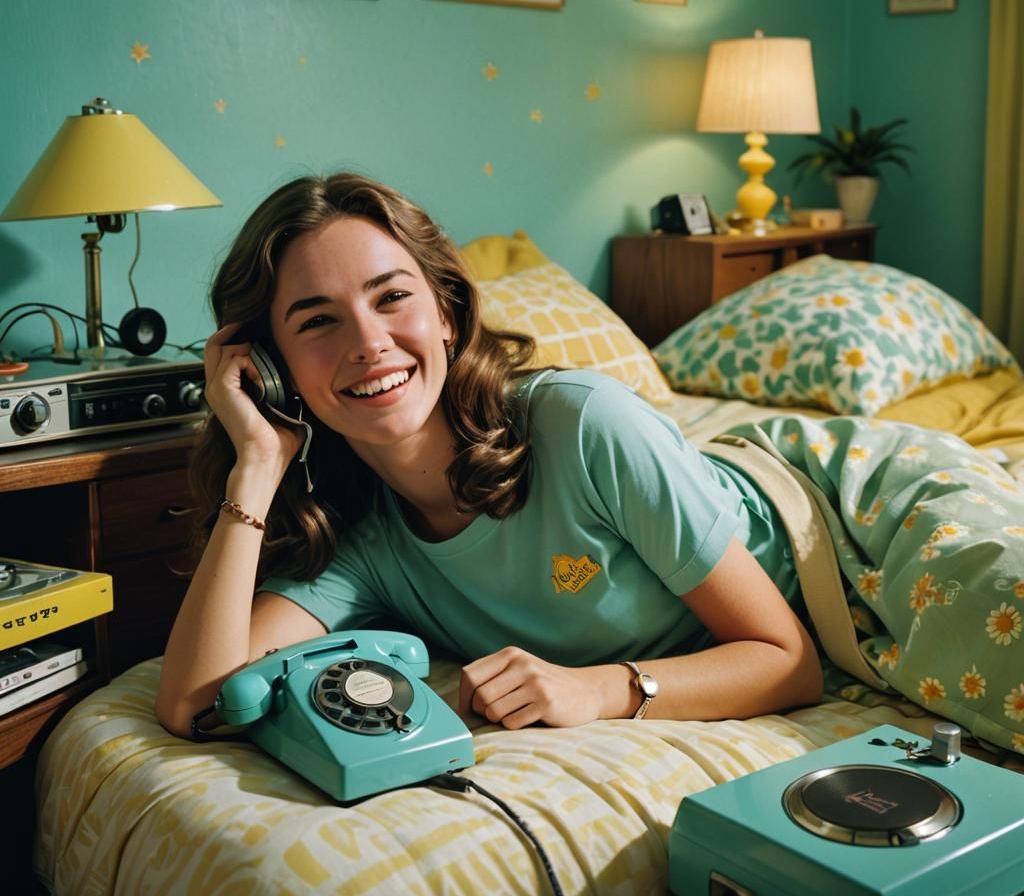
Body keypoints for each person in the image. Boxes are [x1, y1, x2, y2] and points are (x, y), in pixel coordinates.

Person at [155, 172, 823, 739]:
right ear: (273, 367)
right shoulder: (364, 540)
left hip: (837, 525)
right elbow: (195, 701)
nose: (368, 342)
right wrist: (258, 461)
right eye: (318, 320)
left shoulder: (586, 423)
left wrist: (597, 691)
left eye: (391, 297)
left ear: (446, 312)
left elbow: (788, 660)